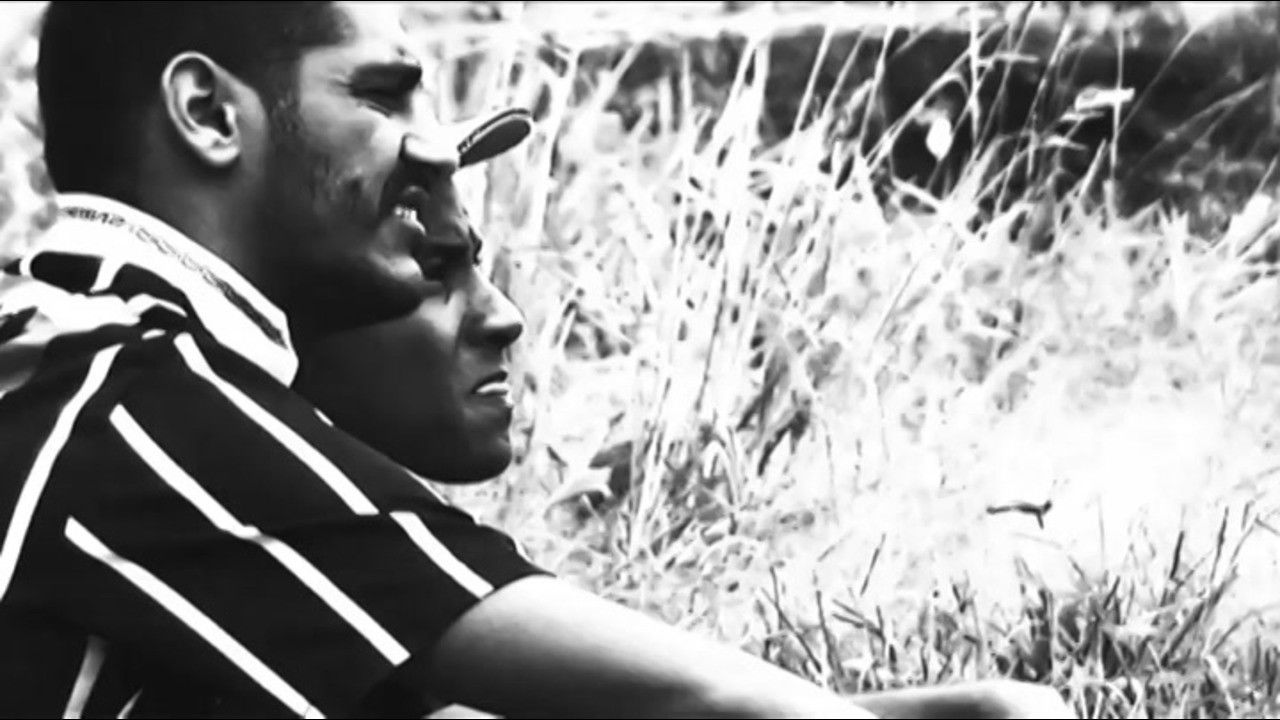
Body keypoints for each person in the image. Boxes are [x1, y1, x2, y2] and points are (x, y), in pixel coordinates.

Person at [0, 2, 1076, 718]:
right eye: (380, 95)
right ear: (206, 113)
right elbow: (701, 703)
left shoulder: (75, 359)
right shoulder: (128, 404)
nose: (430, 146)